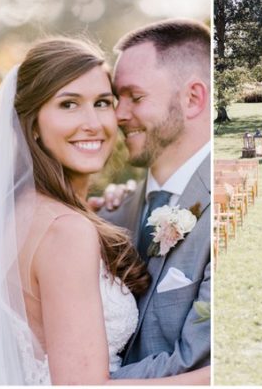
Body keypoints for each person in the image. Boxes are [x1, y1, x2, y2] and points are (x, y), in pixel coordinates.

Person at [0, 37, 210, 385]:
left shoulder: (29, 210)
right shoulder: (66, 231)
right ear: (32, 123)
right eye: (69, 104)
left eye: (103, 102)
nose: (93, 123)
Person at [98, 19, 211, 379]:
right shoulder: (114, 211)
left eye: (135, 96)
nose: (117, 115)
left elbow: (195, 362)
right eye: (117, 98)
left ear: (192, 99)